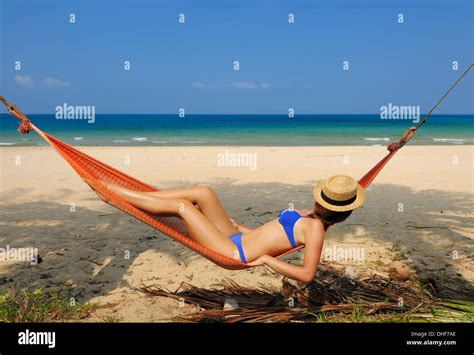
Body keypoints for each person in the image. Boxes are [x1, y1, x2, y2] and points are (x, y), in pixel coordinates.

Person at [101, 174, 364, 283]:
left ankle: (117, 193)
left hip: (232, 253)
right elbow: (274, 235)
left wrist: (265, 261)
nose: (318, 200)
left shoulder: (316, 228)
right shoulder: (311, 215)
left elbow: (307, 274)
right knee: (204, 193)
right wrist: (243, 228)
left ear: (328, 205)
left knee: (183, 207)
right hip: (236, 236)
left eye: (323, 199)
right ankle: (133, 194)